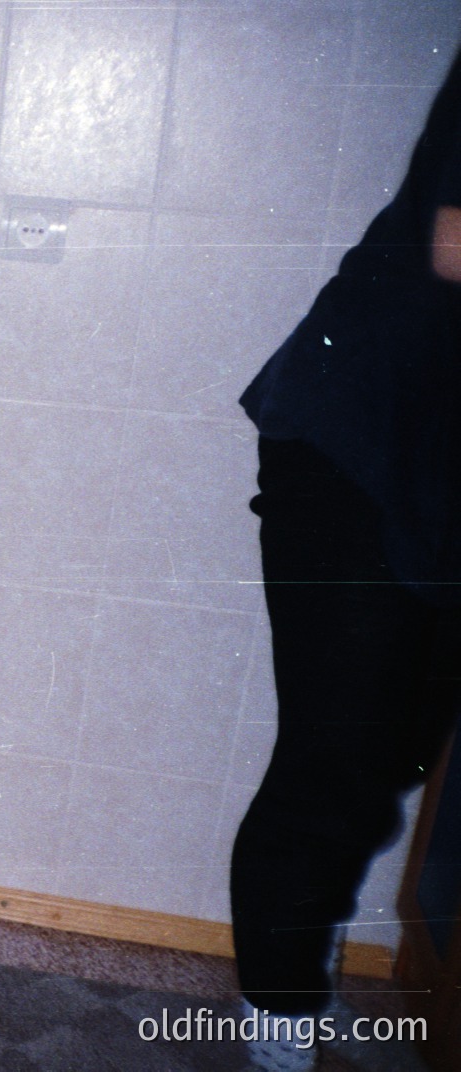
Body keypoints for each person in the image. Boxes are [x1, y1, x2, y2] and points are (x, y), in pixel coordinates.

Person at [229, 50, 461, 1072]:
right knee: (336, 756)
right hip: (363, 434)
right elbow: (453, 244)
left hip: (442, 458)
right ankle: (276, 1017)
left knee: (404, 746)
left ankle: (300, 940)